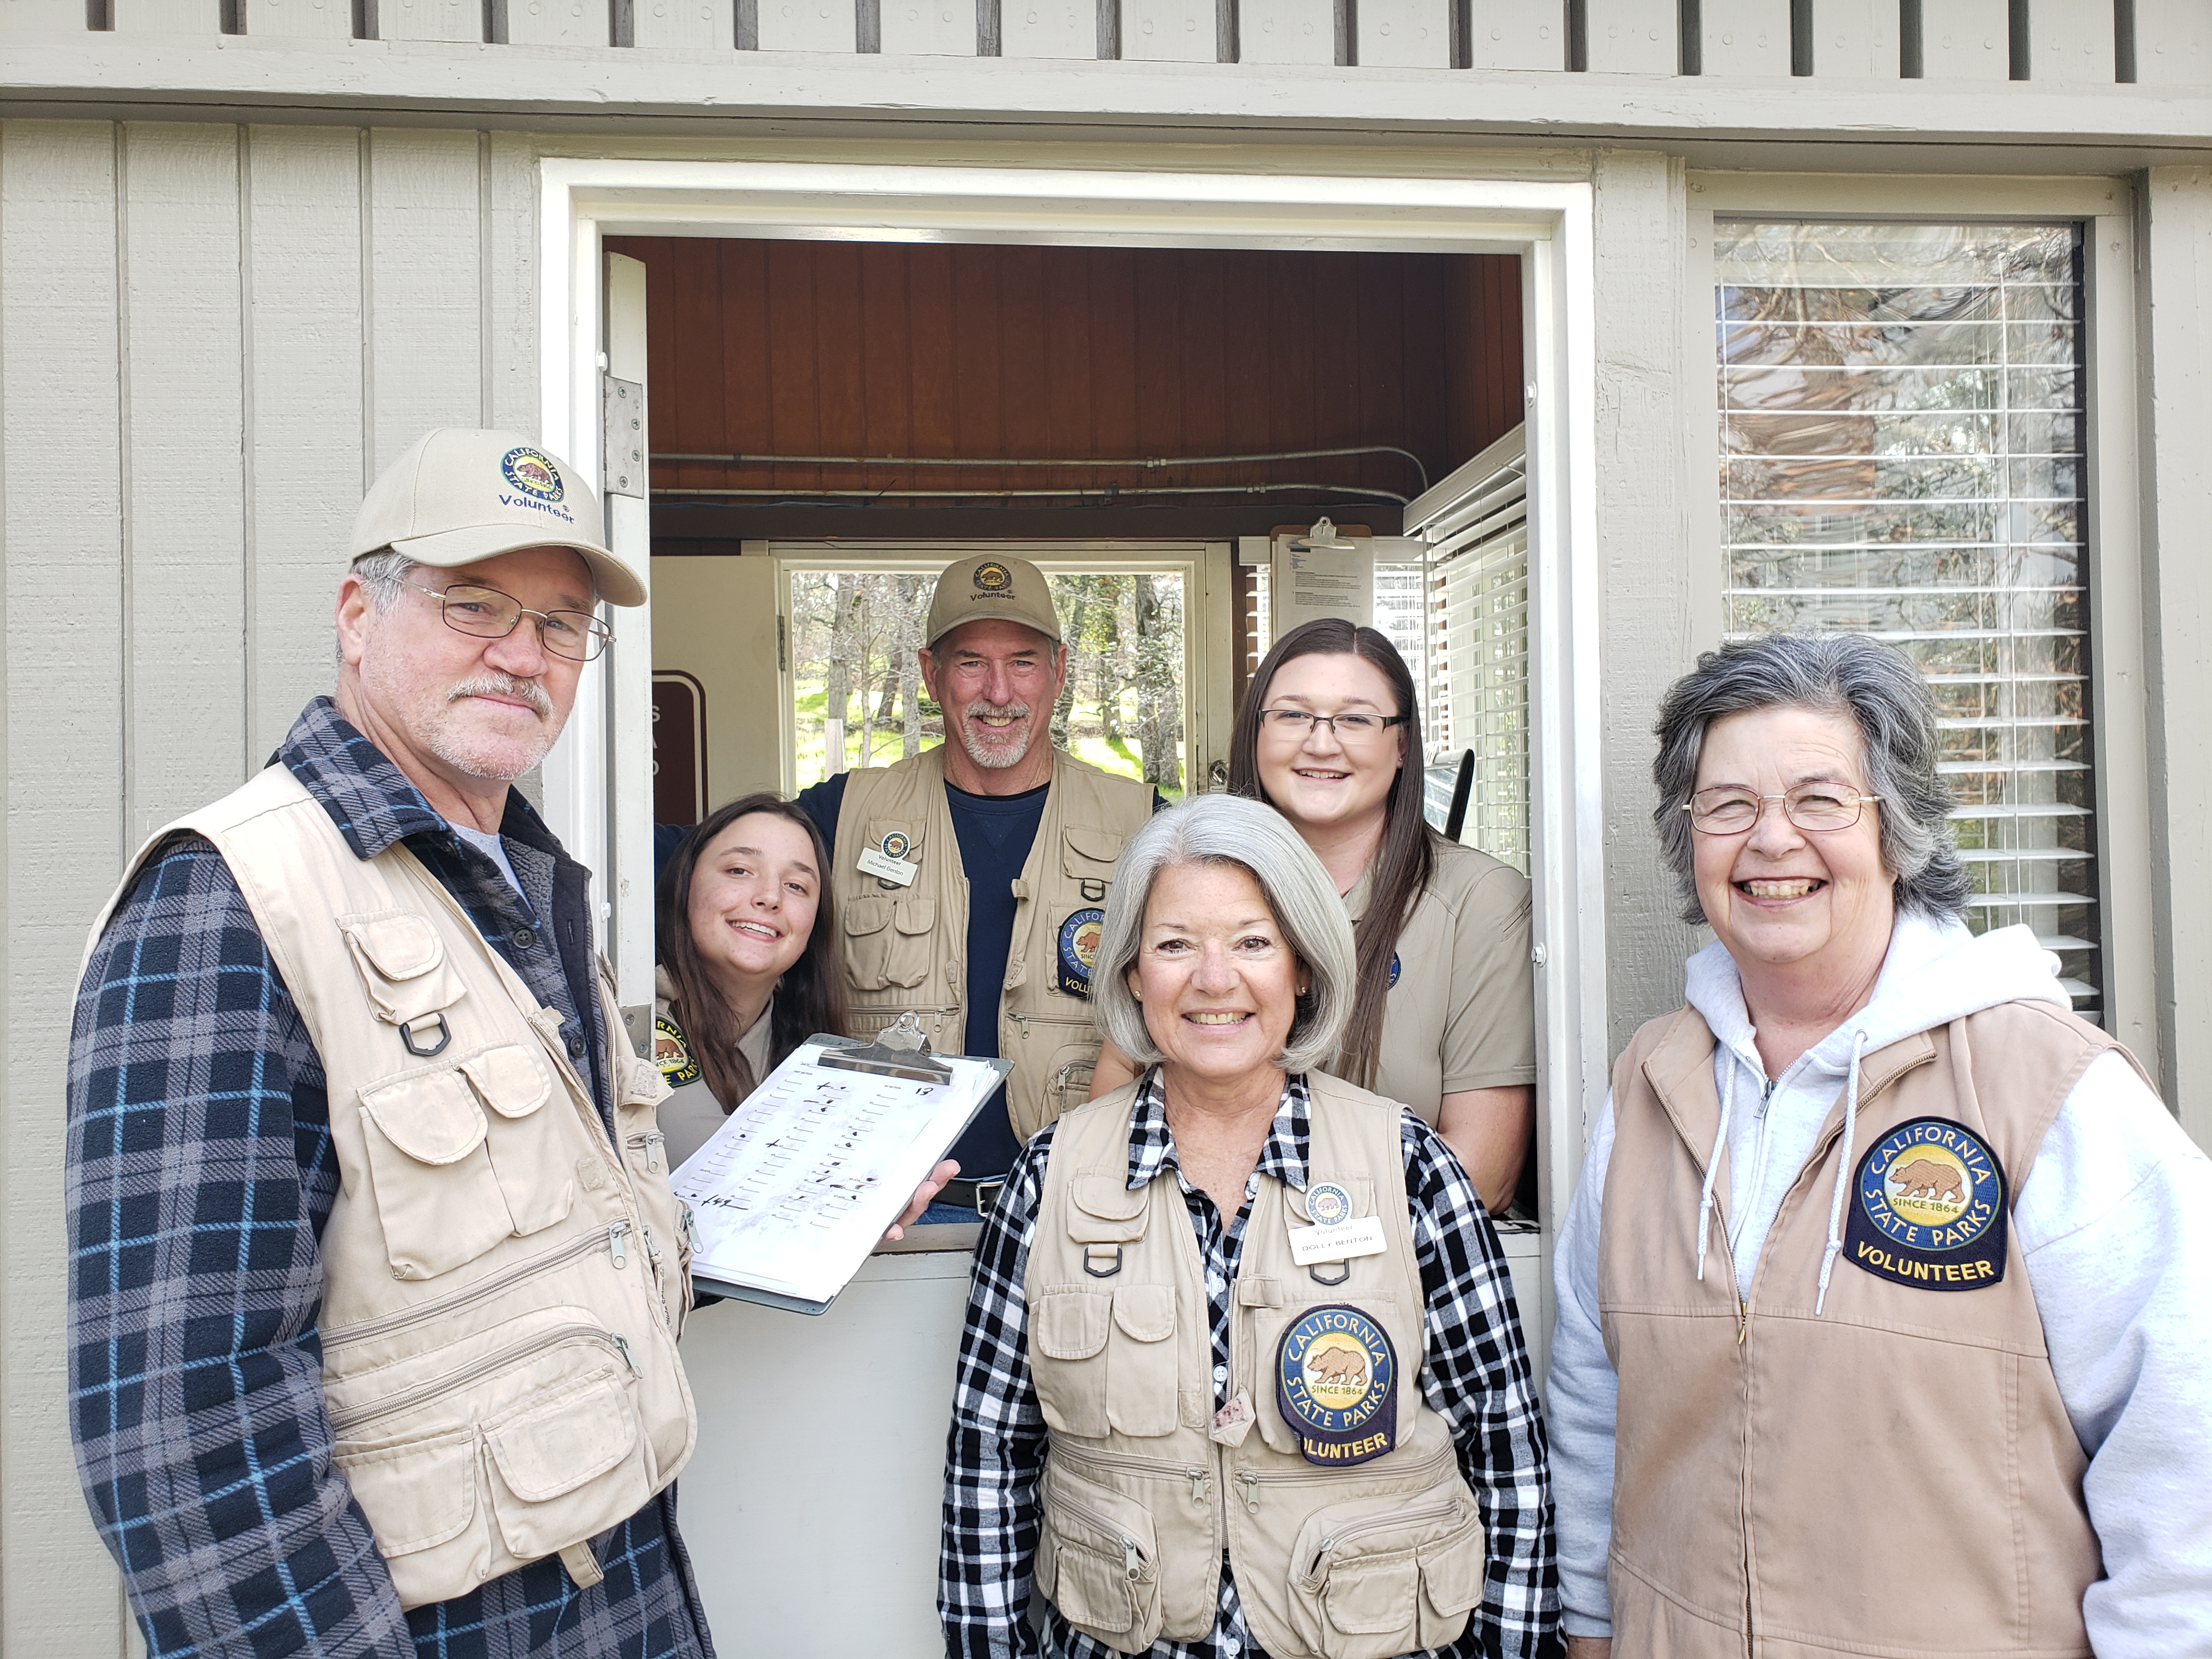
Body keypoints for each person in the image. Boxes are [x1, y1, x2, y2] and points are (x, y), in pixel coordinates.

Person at [63, 428, 941, 1657]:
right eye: (473, 604)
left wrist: (828, 1208)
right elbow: (185, 1435)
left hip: (625, 1590)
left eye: (560, 623)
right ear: (357, 615)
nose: (522, 654)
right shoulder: (230, 904)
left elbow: (588, 1250)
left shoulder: (527, 895)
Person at [1546, 633, 2212, 1658]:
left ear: (1895, 829)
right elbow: (1596, 1401)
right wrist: (1593, 1627)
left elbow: (2183, 1448)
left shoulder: (2048, 1087)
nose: (1772, 839)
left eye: (1820, 800)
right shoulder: (1648, 1086)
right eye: (1728, 805)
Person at [940, 794, 1556, 1659]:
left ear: (1302, 967)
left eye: (1253, 943)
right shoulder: (1051, 1178)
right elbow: (990, 1456)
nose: (1214, 979)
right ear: (1132, 974)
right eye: (1174, 945)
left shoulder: (1408, 1164)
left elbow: (1501, 1439)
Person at [1093, 618, 1536, 1212]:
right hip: (1185, 1243)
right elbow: (1113, 1113)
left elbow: (1482, 1171)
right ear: (1255, 734)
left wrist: (1280, 1238)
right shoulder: (1185, 875)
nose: (1321, 743)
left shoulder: (1479, 902)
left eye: (1356, 719)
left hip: (1381, 1256)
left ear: (1403, 745)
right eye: (1293, 715)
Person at [795, 554, 1159, 1223]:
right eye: (970, 663)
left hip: (1079, 1208)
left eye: (1023, 662)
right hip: (891, 1218)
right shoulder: (842, 816)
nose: (998, 691)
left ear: (1060, 670)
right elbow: (714, 883)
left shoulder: (1145, 824)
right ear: (931, 674)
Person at [650, 793, 850, 1168]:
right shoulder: (637, 1023)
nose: (770, 897)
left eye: (797, 886)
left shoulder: (807, 1043)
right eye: (740, 871)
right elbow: (711, 1171)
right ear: (685, 886)